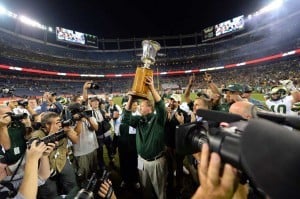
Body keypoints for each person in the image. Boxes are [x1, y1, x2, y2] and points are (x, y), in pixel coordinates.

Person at [123, 76, 167, 199]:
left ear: (150, 108)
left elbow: (161, 106)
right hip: (141, 160)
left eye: (142, 106)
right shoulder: (139, 120)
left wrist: (152, 88)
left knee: (160, 192)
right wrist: (131, 98)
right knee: (144, 189)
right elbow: (125, 118)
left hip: (156, 162)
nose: (140, 108)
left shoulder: (158, 119)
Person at [31, 112, 78, 198]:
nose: (60, 124)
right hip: (45, 168)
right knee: (50, 192)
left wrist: (69, 131)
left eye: (60, 121)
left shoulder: (63, 129)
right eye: (57, 123)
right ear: (47, 125)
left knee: (71, 185)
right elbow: (36, 154)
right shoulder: (37, 135)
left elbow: (76, 141)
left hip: (61, 162)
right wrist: (52, 134)